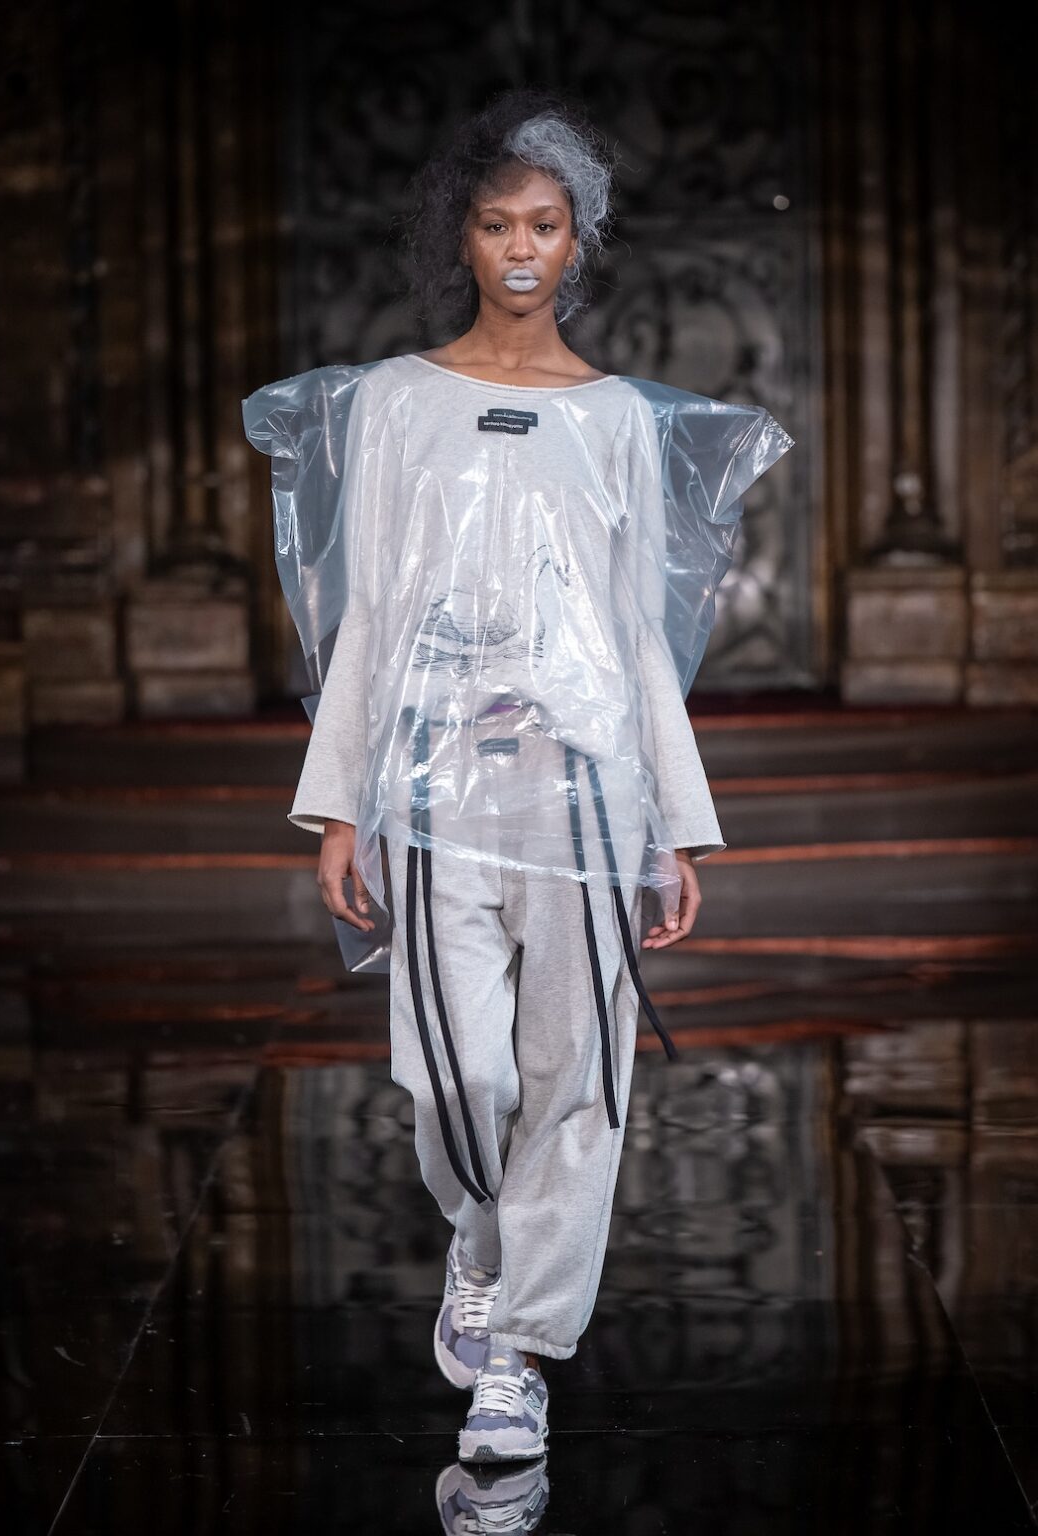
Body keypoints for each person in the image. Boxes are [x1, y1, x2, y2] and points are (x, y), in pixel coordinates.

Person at [242, 86, 792, 1472]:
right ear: (465, 238)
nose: (523, 246)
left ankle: (522, 1352)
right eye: (496, 223)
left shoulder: (617, 421)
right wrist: (339, 800)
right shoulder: (393, 403)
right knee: (455, 1074)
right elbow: (363, 609)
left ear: (581, 238)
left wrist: (678, 829)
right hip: (437, 796)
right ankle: (481, 1253)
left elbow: (636, 631)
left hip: (591, 792)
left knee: (579, 1079)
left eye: (547, 222)